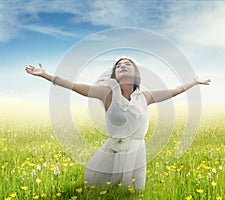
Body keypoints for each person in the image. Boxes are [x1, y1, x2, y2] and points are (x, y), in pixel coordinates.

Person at [25, 56, 210, 190]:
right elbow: (74, 86)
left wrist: (193, 83)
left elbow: (174, 90)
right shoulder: (106, 92)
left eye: (127, 64)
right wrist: (46, 75)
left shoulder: (145, 97)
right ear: (114, 73)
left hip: (136, 151)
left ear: (135, 73)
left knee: (131, 191)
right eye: (118, 65)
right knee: (98, 186)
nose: (122, 66)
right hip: (113, 149)